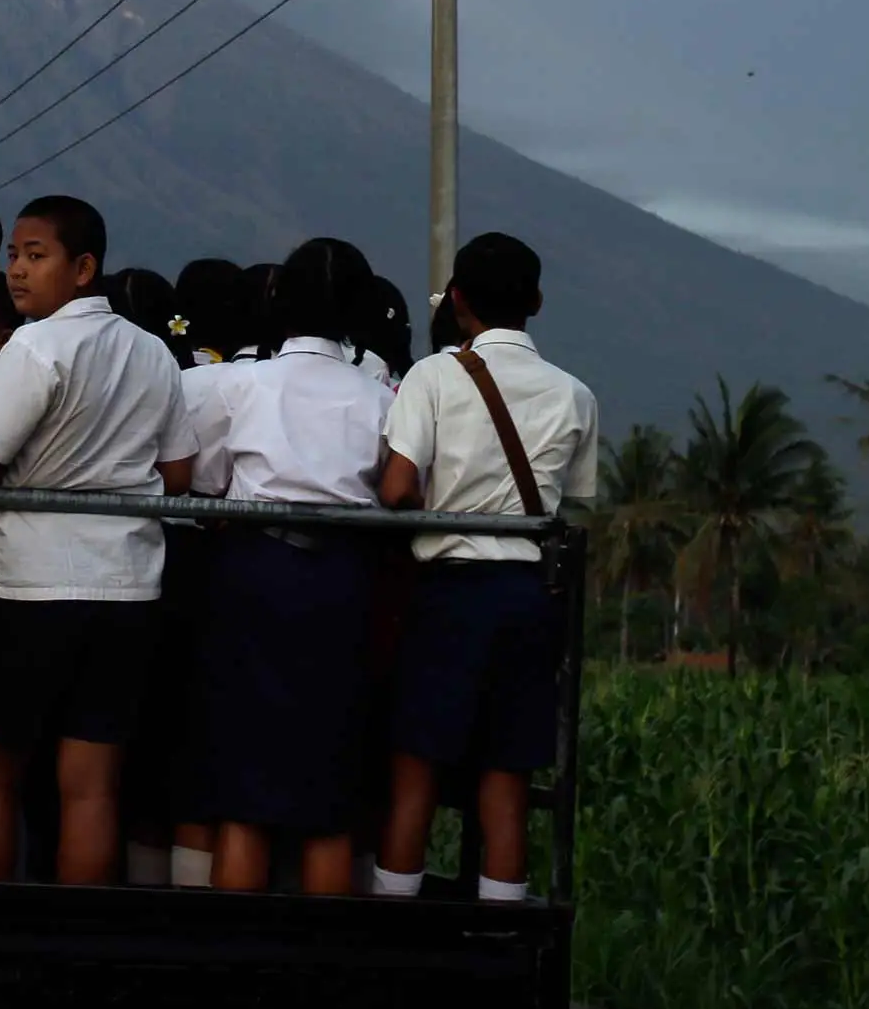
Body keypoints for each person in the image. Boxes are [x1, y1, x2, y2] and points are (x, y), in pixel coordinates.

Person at [0, 195, 189, 884]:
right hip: (126, 585)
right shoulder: (151, 351)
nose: (18, 271)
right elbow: (178, 474)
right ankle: (75, 946)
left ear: (83, 268)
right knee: (92, 784)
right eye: (14, 256)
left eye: (36, 255)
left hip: (23, 583)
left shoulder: (34, 345)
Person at [374, 233, 599, 905]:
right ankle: (504, 940)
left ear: (459, 302)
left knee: (415, 770)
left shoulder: (434, 376)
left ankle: (393, 931)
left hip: (450, 591)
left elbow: (395, 489)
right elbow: (575, 500)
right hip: (530, 595)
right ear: (536, 300)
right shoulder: (574, 394)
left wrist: (431, 504)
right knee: (505, 778)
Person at [184, 238, 394, 894]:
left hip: (252, 572)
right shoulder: (382, 397)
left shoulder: (242, 382)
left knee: (243, 786)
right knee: (328, 793)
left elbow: (208, 479)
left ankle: (232, 967)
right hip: (343, 582)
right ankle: (324, 973)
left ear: (277, 299)